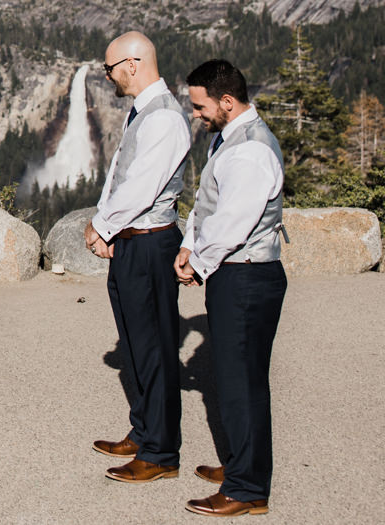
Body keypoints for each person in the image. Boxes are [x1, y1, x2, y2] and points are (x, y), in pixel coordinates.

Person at [176, 59, 287, 518]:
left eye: (201, 107)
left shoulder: (251, 150)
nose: (196, 115)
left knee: (243, 384)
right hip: (235, 272)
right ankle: (242, 465)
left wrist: (196, 263)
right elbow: (208, 207)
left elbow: (233, 223)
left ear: (226, 101)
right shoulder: (232, 138)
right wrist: (189, 244)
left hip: (245, 276)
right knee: (237, 379)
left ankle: (247, 489)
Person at [86, 31, 193, 484]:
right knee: (134, 343)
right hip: (131, 241)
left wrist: (102, 226)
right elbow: (119, 172)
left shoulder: (165, 118)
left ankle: (161, 452)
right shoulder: (142, 111)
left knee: (155, 349)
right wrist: (106, 221)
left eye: (110, 68)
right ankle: (144, 429)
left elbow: (143, 185)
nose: (108, 77)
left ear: (132, 63)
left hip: (150, 243)